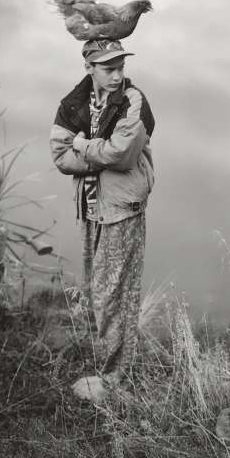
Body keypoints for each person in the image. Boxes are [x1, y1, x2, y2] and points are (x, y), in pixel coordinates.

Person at [50, 37, 155, 397]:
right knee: (99, 294)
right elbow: (60, 156)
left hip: (122, 210)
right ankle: (113, 373)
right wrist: (98, 153)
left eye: (120, 67)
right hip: (92, 210)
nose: (117, 75)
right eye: (108, 68)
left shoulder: (132, 100)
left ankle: (116, 380)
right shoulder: (74, 103)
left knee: (115, 296)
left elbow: (123, 155)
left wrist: (84, 145)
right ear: (89, 68)